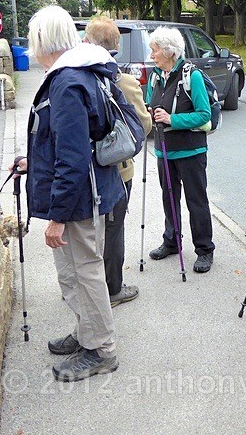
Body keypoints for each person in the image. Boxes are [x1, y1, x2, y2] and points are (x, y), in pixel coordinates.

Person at [14, 5, 125, 382]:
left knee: (85, 273)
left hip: (80, 199)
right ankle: (87, 334)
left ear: (41, 40)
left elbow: (74, 156)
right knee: (74, 274)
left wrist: (57, 218)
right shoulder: (82, 72)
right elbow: (67, 142)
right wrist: (35, 161)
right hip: (89, 190)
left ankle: (101, 350)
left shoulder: (67, 82)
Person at [85, 17, 153, 306]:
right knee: (113, 228)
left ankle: (86, 285)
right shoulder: (123, 81)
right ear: (116, 46)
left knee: (86, 230)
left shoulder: (73, 76)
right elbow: (143, 125)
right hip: (117, 168)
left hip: (82, 170)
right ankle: (112, 289)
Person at [146, 27, 215, 273]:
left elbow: (204, 115)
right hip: (164, 150)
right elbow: (150, 105)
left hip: (191, 151)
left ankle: (205, 249)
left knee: (196, 201)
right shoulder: (155, 77)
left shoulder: (191, 76)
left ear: (169, 51)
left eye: (155, 50)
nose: (152, 55)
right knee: (169, 198)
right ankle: (172, 241)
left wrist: (172, 119)